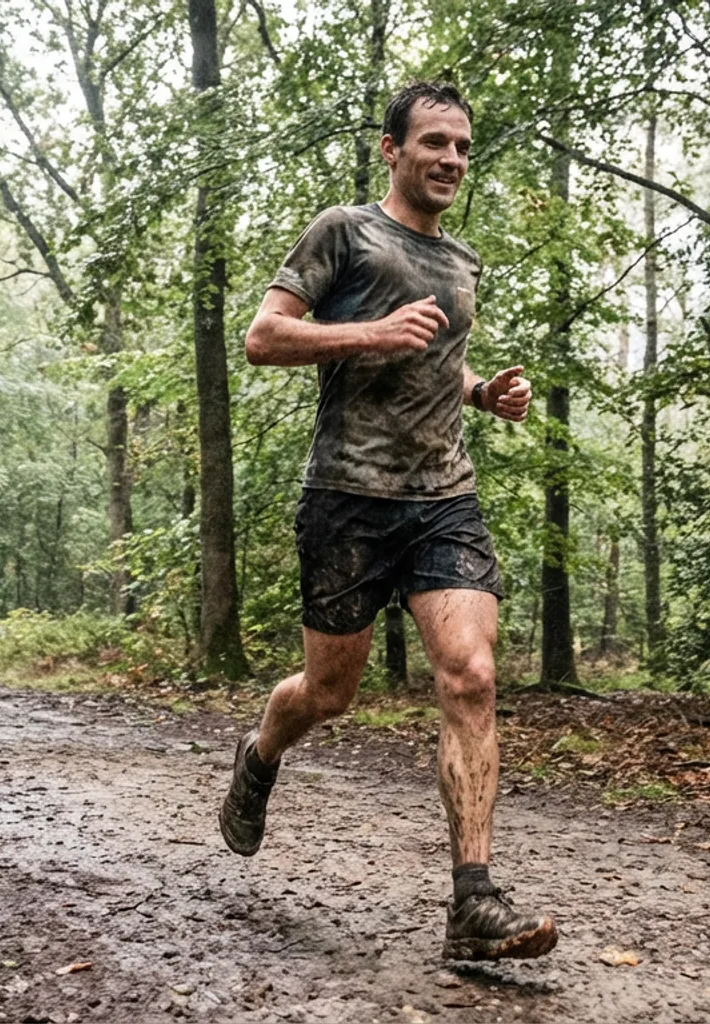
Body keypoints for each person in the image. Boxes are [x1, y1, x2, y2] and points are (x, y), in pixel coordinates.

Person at [217, 80, 558, 962]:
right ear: (392, 150)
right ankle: (260, 754)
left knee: (471, 675)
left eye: (462, 148)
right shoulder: (344, 231)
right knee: (328, 693)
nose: (450, 159)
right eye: (434, 142)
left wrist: (484, 391)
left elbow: (439, 360)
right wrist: (368, 333)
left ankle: (472, 904)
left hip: (443, 497)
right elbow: (262, 337)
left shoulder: (463, 262)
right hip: (346, 498)